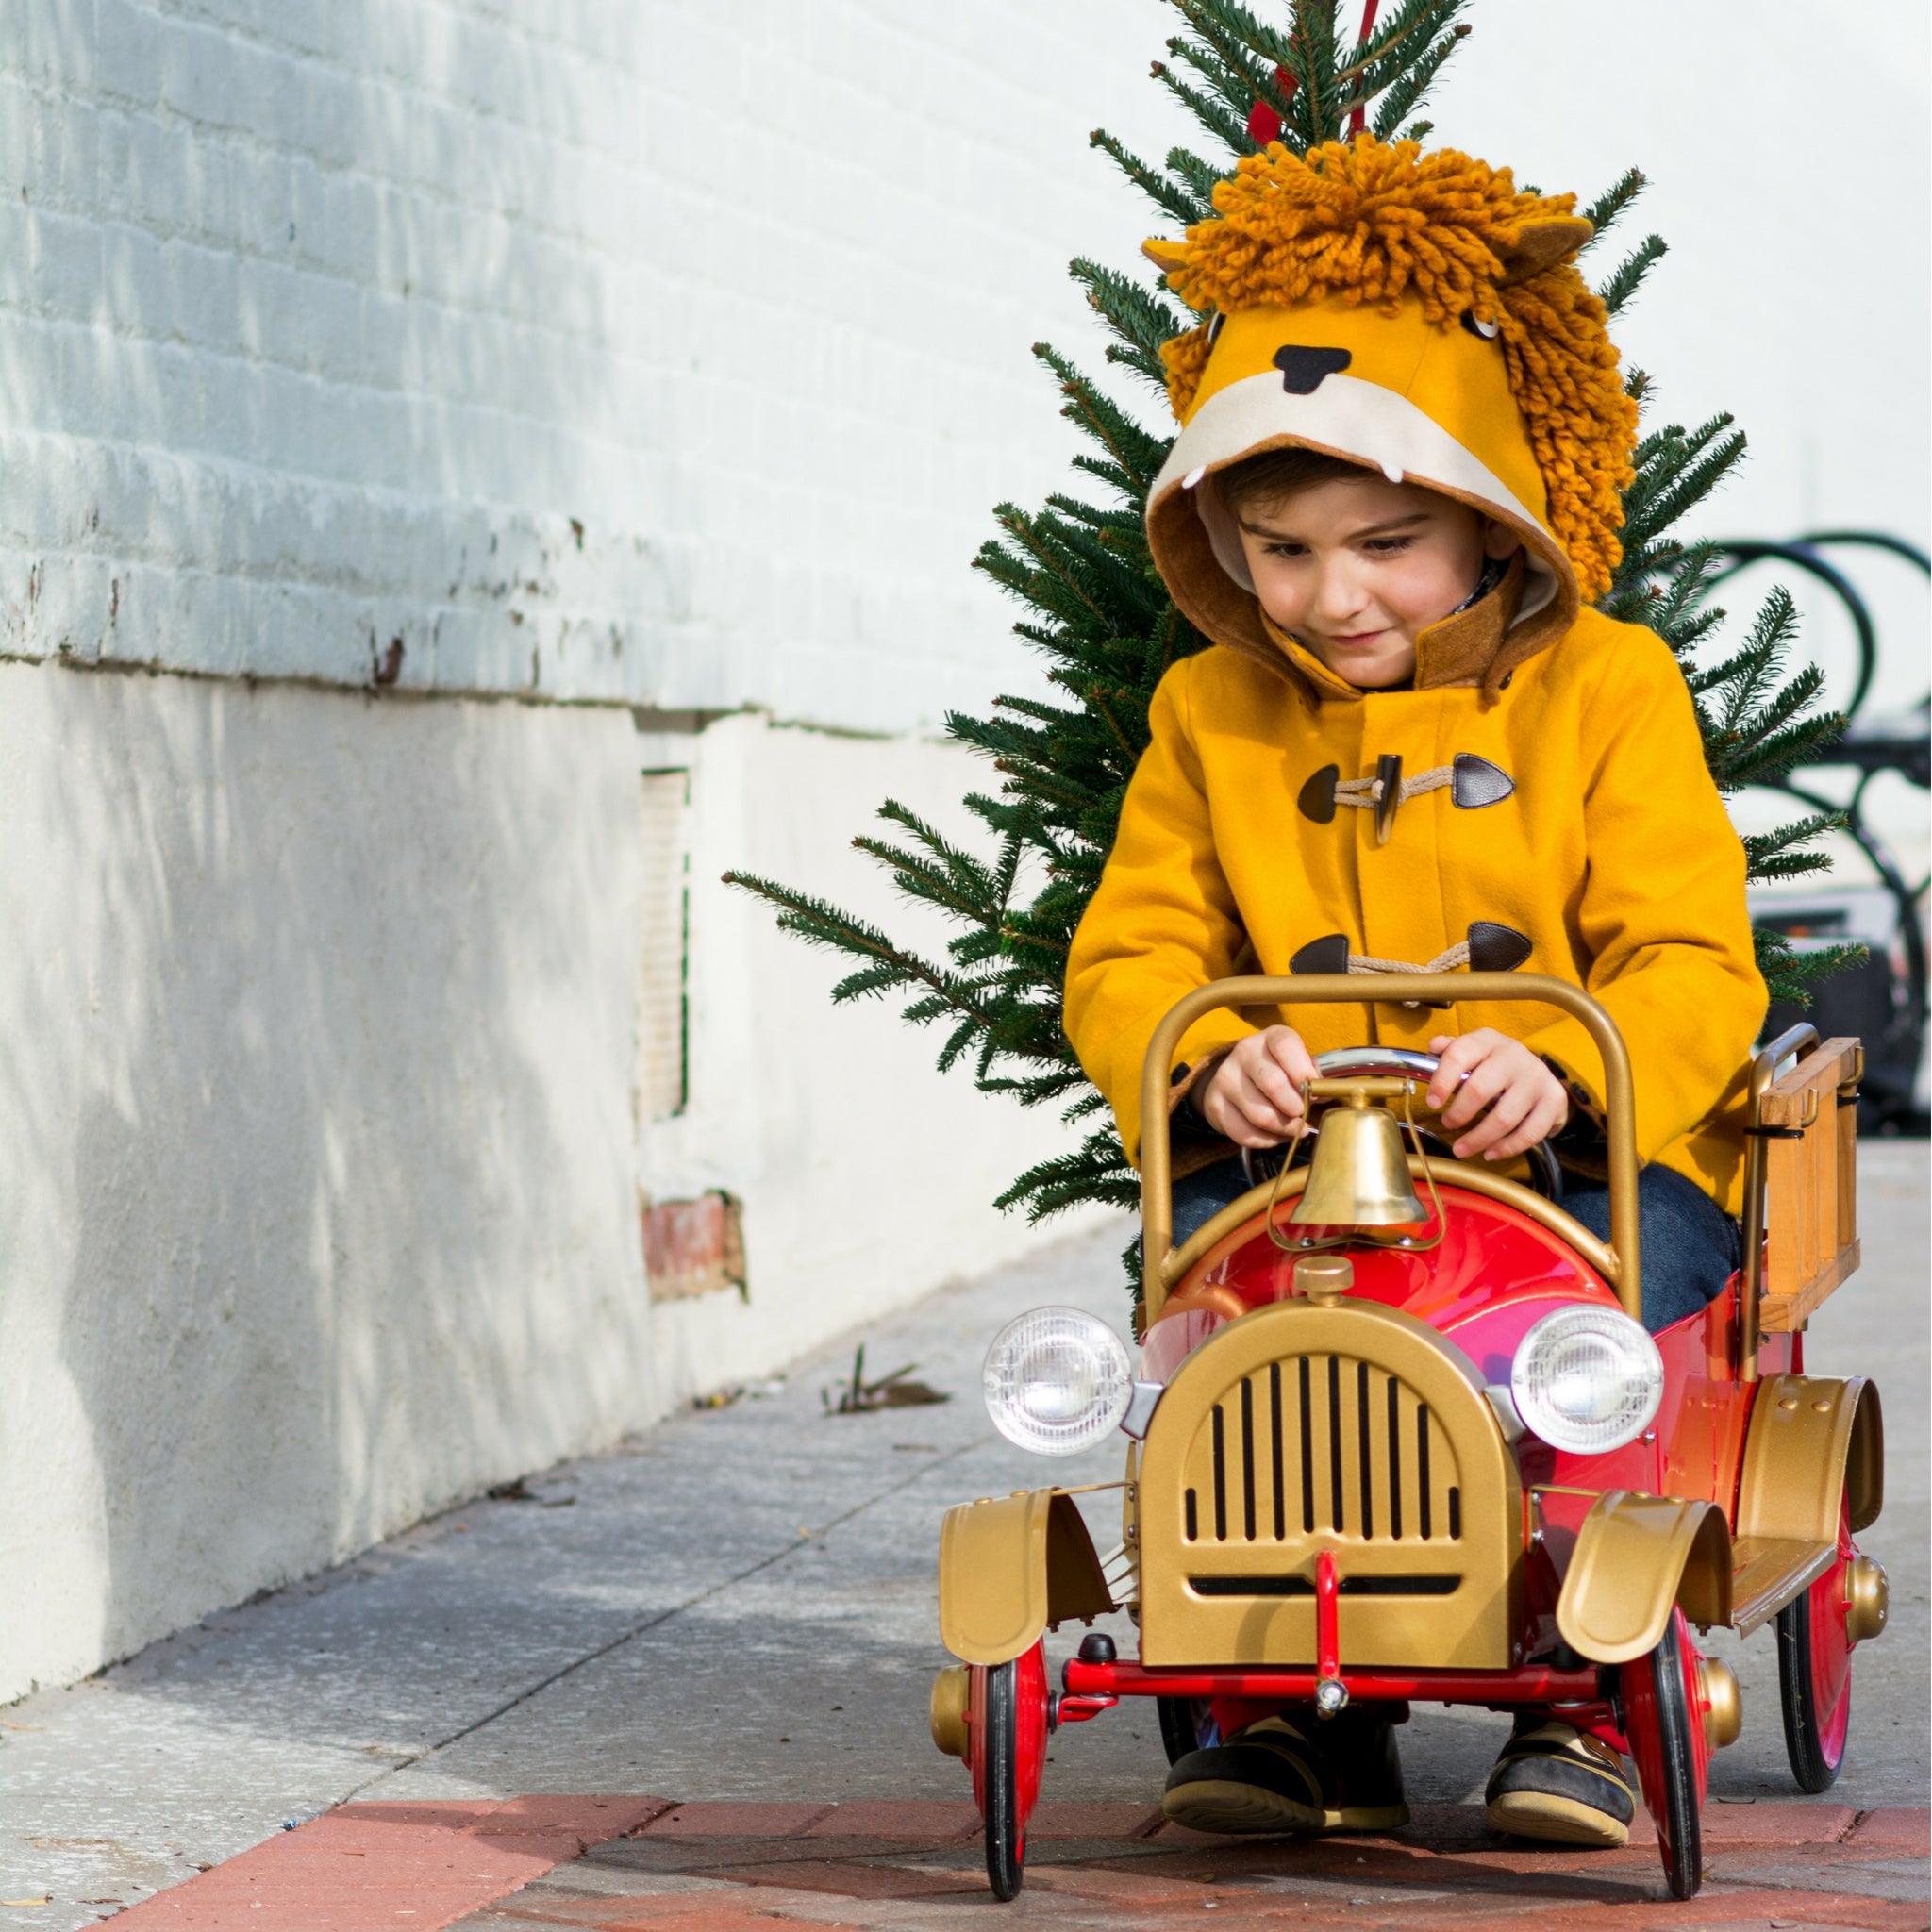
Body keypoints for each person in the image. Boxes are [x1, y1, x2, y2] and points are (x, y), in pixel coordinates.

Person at [1062, 136, 1765, 1848]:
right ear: (1221, 538)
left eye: (1386, 541)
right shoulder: (1214, 715)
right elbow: (1128, 949)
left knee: (1582, 1352)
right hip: (1314, 1157)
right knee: (1216, 1337)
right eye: (1283, 549)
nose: (1336, 595)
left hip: (1577, 1161)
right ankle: (1283, 1701)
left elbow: (1692, 959)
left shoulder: (1608, 689)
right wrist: (1210, 1046)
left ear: (1490, 516)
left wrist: (1559, 1063)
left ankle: (1595, 1691)